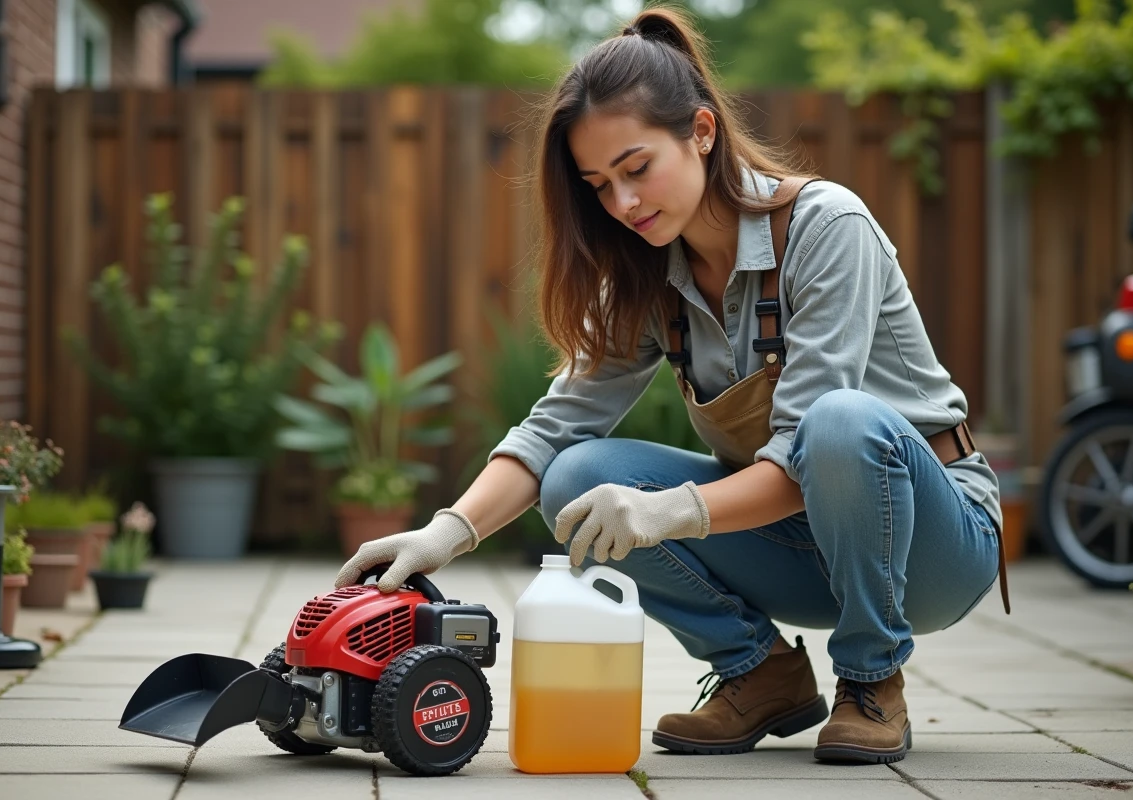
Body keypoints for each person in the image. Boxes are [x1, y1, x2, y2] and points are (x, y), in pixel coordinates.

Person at [335, 4, 1007, 765]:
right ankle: (759, 674)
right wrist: (445, 534)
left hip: (933, 546)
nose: (622, 204)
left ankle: (872, 678)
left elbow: (806, 451)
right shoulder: (646, 269)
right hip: (805, 547)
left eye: (636, 169)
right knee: (578, 476)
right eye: (598, 184)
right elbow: (556, 426)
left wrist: (668, 512)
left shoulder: (826, 226)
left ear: (701, 132)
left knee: (842, 422)